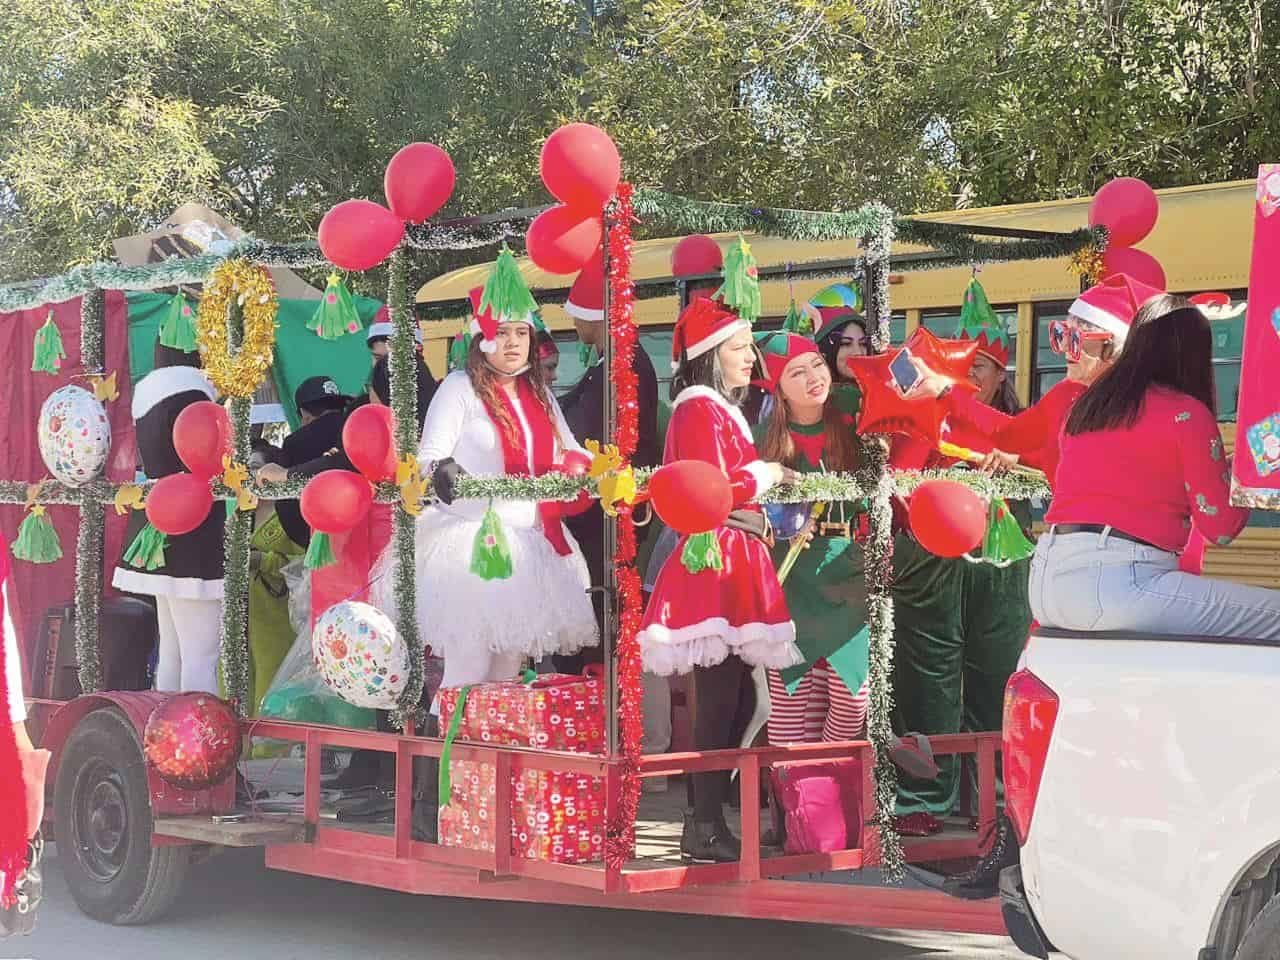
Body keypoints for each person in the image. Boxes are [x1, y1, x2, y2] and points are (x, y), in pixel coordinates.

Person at [639, 296, 801, 864]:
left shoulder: (711, 408)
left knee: (736, 699)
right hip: (718, 557)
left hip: (735, 554)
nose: (750, 358)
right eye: (739, 348)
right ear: (710, 355)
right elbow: (708, 489)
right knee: (719, 697)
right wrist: (767, 474)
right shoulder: (696, 409)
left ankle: (708, 817)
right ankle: (703, 822)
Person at [1034, 293, 1280, 639]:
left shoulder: (1087, 408)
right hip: (1119, 583)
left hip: (1047, 583)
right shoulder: (1186, 414)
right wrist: (1252, 470)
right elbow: (1220, 527)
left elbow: (1136, 477)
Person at [886, 281, 1033, 838]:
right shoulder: (928, 415)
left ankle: (994, 795)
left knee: (998, 673)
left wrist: (1014, 459)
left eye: (986, 367)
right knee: (927, 677)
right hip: (931, 563)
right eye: (966, 367)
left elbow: (1054, 455)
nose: (974, 378)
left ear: (1001, 376)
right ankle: (922, 792)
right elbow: (898, 481)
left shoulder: (1020, 427)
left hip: (1001, 564)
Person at [410, 283, 598, 699]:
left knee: (506, 674)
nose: (513, 342)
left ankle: (491, 762)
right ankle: (447, 759)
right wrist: (442, 468)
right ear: (482, 337)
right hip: (476, 543)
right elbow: (431, 455)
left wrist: (599, 468)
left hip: (531, 541)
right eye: (505, 331)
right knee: (469, 668)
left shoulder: (539, 393)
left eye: (522, 333)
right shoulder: (460, 387)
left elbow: (569, 451)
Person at [751, 332, 871, 746]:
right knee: (792, 706)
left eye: (817, 365)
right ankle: (803, 804)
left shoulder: (851, 411)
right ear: (778, 388)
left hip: (849, 572)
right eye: (797, 373)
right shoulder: (762, 438)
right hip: (792, 576)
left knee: (853, 699)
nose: (814, 378)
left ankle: (825, 781)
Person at [112, 344, 225, 694]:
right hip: (194, 523)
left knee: (175, 650)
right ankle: (198, 742)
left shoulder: (149, 397)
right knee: (201, 654)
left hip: (158, 519)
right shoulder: (195, 397)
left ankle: (167, 733)